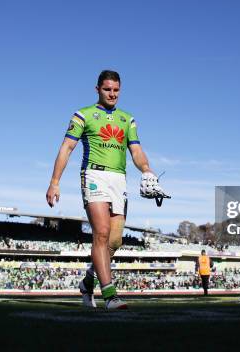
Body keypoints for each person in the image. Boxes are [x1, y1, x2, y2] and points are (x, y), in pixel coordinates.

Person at [46, 70, 168, 310]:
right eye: (107, 89)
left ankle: (87, 281)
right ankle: (110, 296)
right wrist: (55, 181)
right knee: (100, 233)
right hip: (94, 175)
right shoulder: (83, 115)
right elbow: (67, 148)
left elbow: (136, 150)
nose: (112, 94)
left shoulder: (128, 119)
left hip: (119, 180)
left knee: (115, 240)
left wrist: (147, 170)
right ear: (97, 89)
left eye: (116, 90)